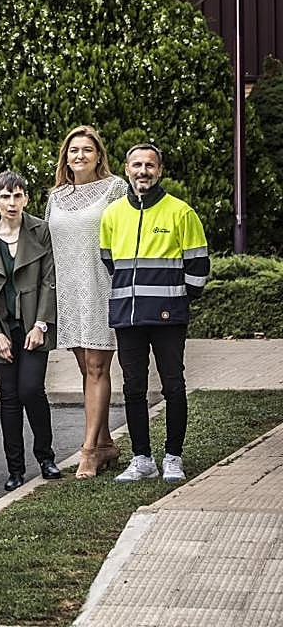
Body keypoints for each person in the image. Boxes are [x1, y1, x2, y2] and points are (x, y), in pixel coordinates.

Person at [101, 145, 209, 484]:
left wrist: (177, 299)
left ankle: (173, 458)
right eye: (137, 165)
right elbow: (109, 260)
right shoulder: (113, 214)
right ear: (127, 169)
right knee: (133, 388)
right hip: (128, 316)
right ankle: (142, 458)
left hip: (168, 317)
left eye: (149, 165)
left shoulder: (181, 212)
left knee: (173, 386)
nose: (143, 171)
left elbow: (199, 267)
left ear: (159, 171)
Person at [45, 125, 128, 479]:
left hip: (100, 289)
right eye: (73, 150)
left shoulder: (115, 189)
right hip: (68, 293)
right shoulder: (56, 196)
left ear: (98, 156)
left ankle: (89, 451)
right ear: (65, 156)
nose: (79, 155)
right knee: (86, 370)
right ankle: (107, 442)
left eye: (87, 150)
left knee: (97, 369)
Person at [0, 171, 61, 491]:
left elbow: (49, 281)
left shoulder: (40, 231)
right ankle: (15, 469)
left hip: (33, 326)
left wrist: (41, 324)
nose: (12, 202)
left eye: (18, 195)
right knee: (9, 398)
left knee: (30, 390)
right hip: (1, 328)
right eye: (5, 196)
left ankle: (46, 457)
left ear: (26, 198)